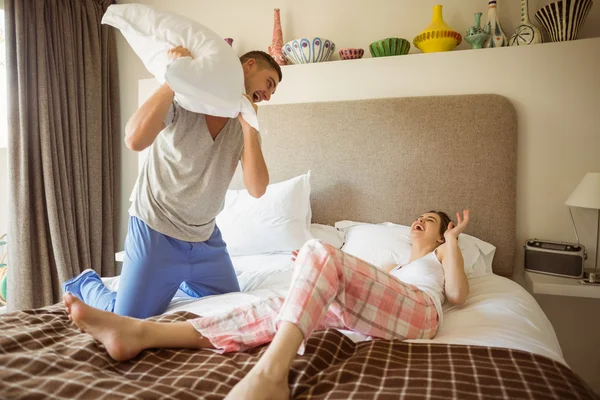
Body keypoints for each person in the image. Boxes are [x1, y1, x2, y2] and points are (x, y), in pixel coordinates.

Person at [64, 210, 471, 400]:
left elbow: (458, 296)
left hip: (418, 315)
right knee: (281, 301)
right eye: (417, 217)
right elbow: (358, 280)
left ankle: (272, 372)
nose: (418, 221)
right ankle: (140, 332)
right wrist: (315, 268)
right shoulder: (393, 264)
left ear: (440, 234)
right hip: (381, 314)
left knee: (321, 253)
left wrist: (452, 240)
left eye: (429, 221)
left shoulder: (439, 256)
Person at [62, 47, 283, 319]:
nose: (269, 96)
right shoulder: (185, 99)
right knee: (125, 319)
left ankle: (179, 279)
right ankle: (87, 283)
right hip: (157, 229)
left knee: (234, 309)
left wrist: (250, 127)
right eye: (269, 84)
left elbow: (257, 189)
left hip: (205, 241)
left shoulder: (244, 128)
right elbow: (134, 140)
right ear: (249, 66)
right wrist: (173, 79)